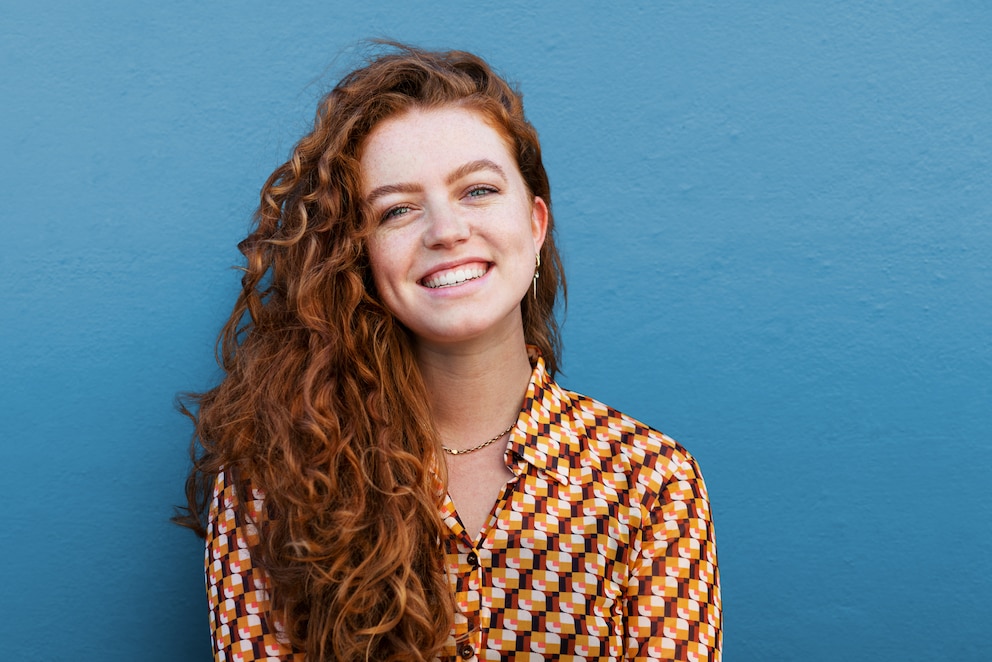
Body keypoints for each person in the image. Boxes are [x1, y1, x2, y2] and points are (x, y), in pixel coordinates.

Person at [176, 43, 721, 662]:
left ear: (536, 224)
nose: (446, 230)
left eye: (479, 190)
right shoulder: (268, 485)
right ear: (359, 255)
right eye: (398, 209)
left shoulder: (650, 483)